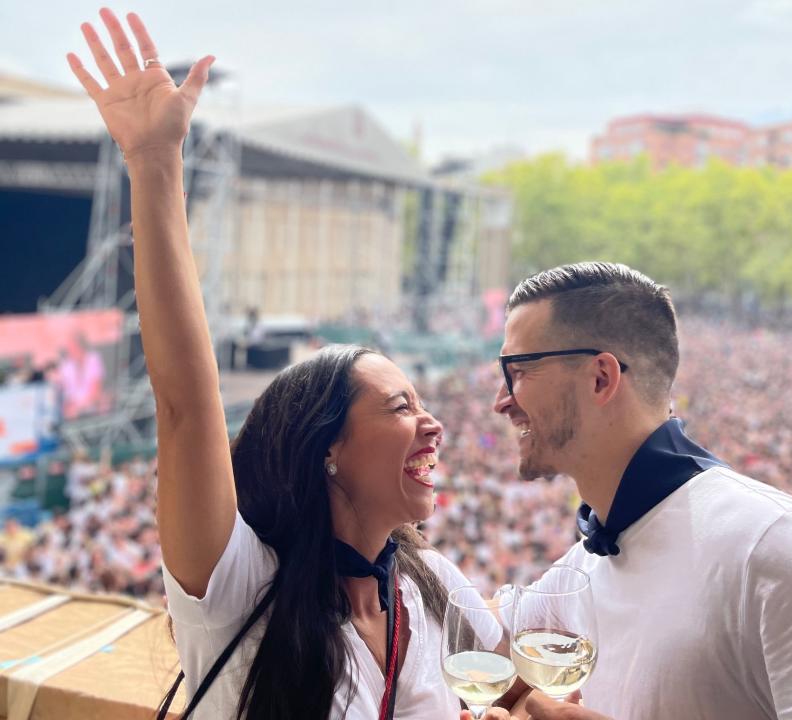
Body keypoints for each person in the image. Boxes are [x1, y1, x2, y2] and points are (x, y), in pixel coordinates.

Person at [67, 10, 501, 719]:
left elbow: (513, 672)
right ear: (326, 446)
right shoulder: (238, 588)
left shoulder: (430, 589)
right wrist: (153, 163)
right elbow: (185, 405)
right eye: (400, 406)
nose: (434, 425)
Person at [485, 262, 792, 719]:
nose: (501, 401)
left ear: (601, 379)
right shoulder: (585, 566)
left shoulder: (770, 548)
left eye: (518, 371)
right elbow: (463, 628)